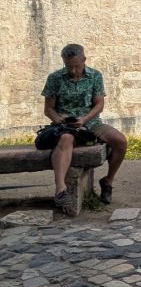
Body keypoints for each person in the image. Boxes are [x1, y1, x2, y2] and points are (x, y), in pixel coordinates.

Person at [39, 43, 128, 206]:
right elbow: (48, 109)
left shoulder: (95, 76)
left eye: (76, 66)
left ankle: (108, 182)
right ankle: (60, 190)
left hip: (91, 122)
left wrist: (85, 119)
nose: (73, 71)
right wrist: (59, 119)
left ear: (84, 60)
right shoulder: (54, 78)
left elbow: (99, 105)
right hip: (65, 126)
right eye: (68, 66)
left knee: (120, 141)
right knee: (65, 139)